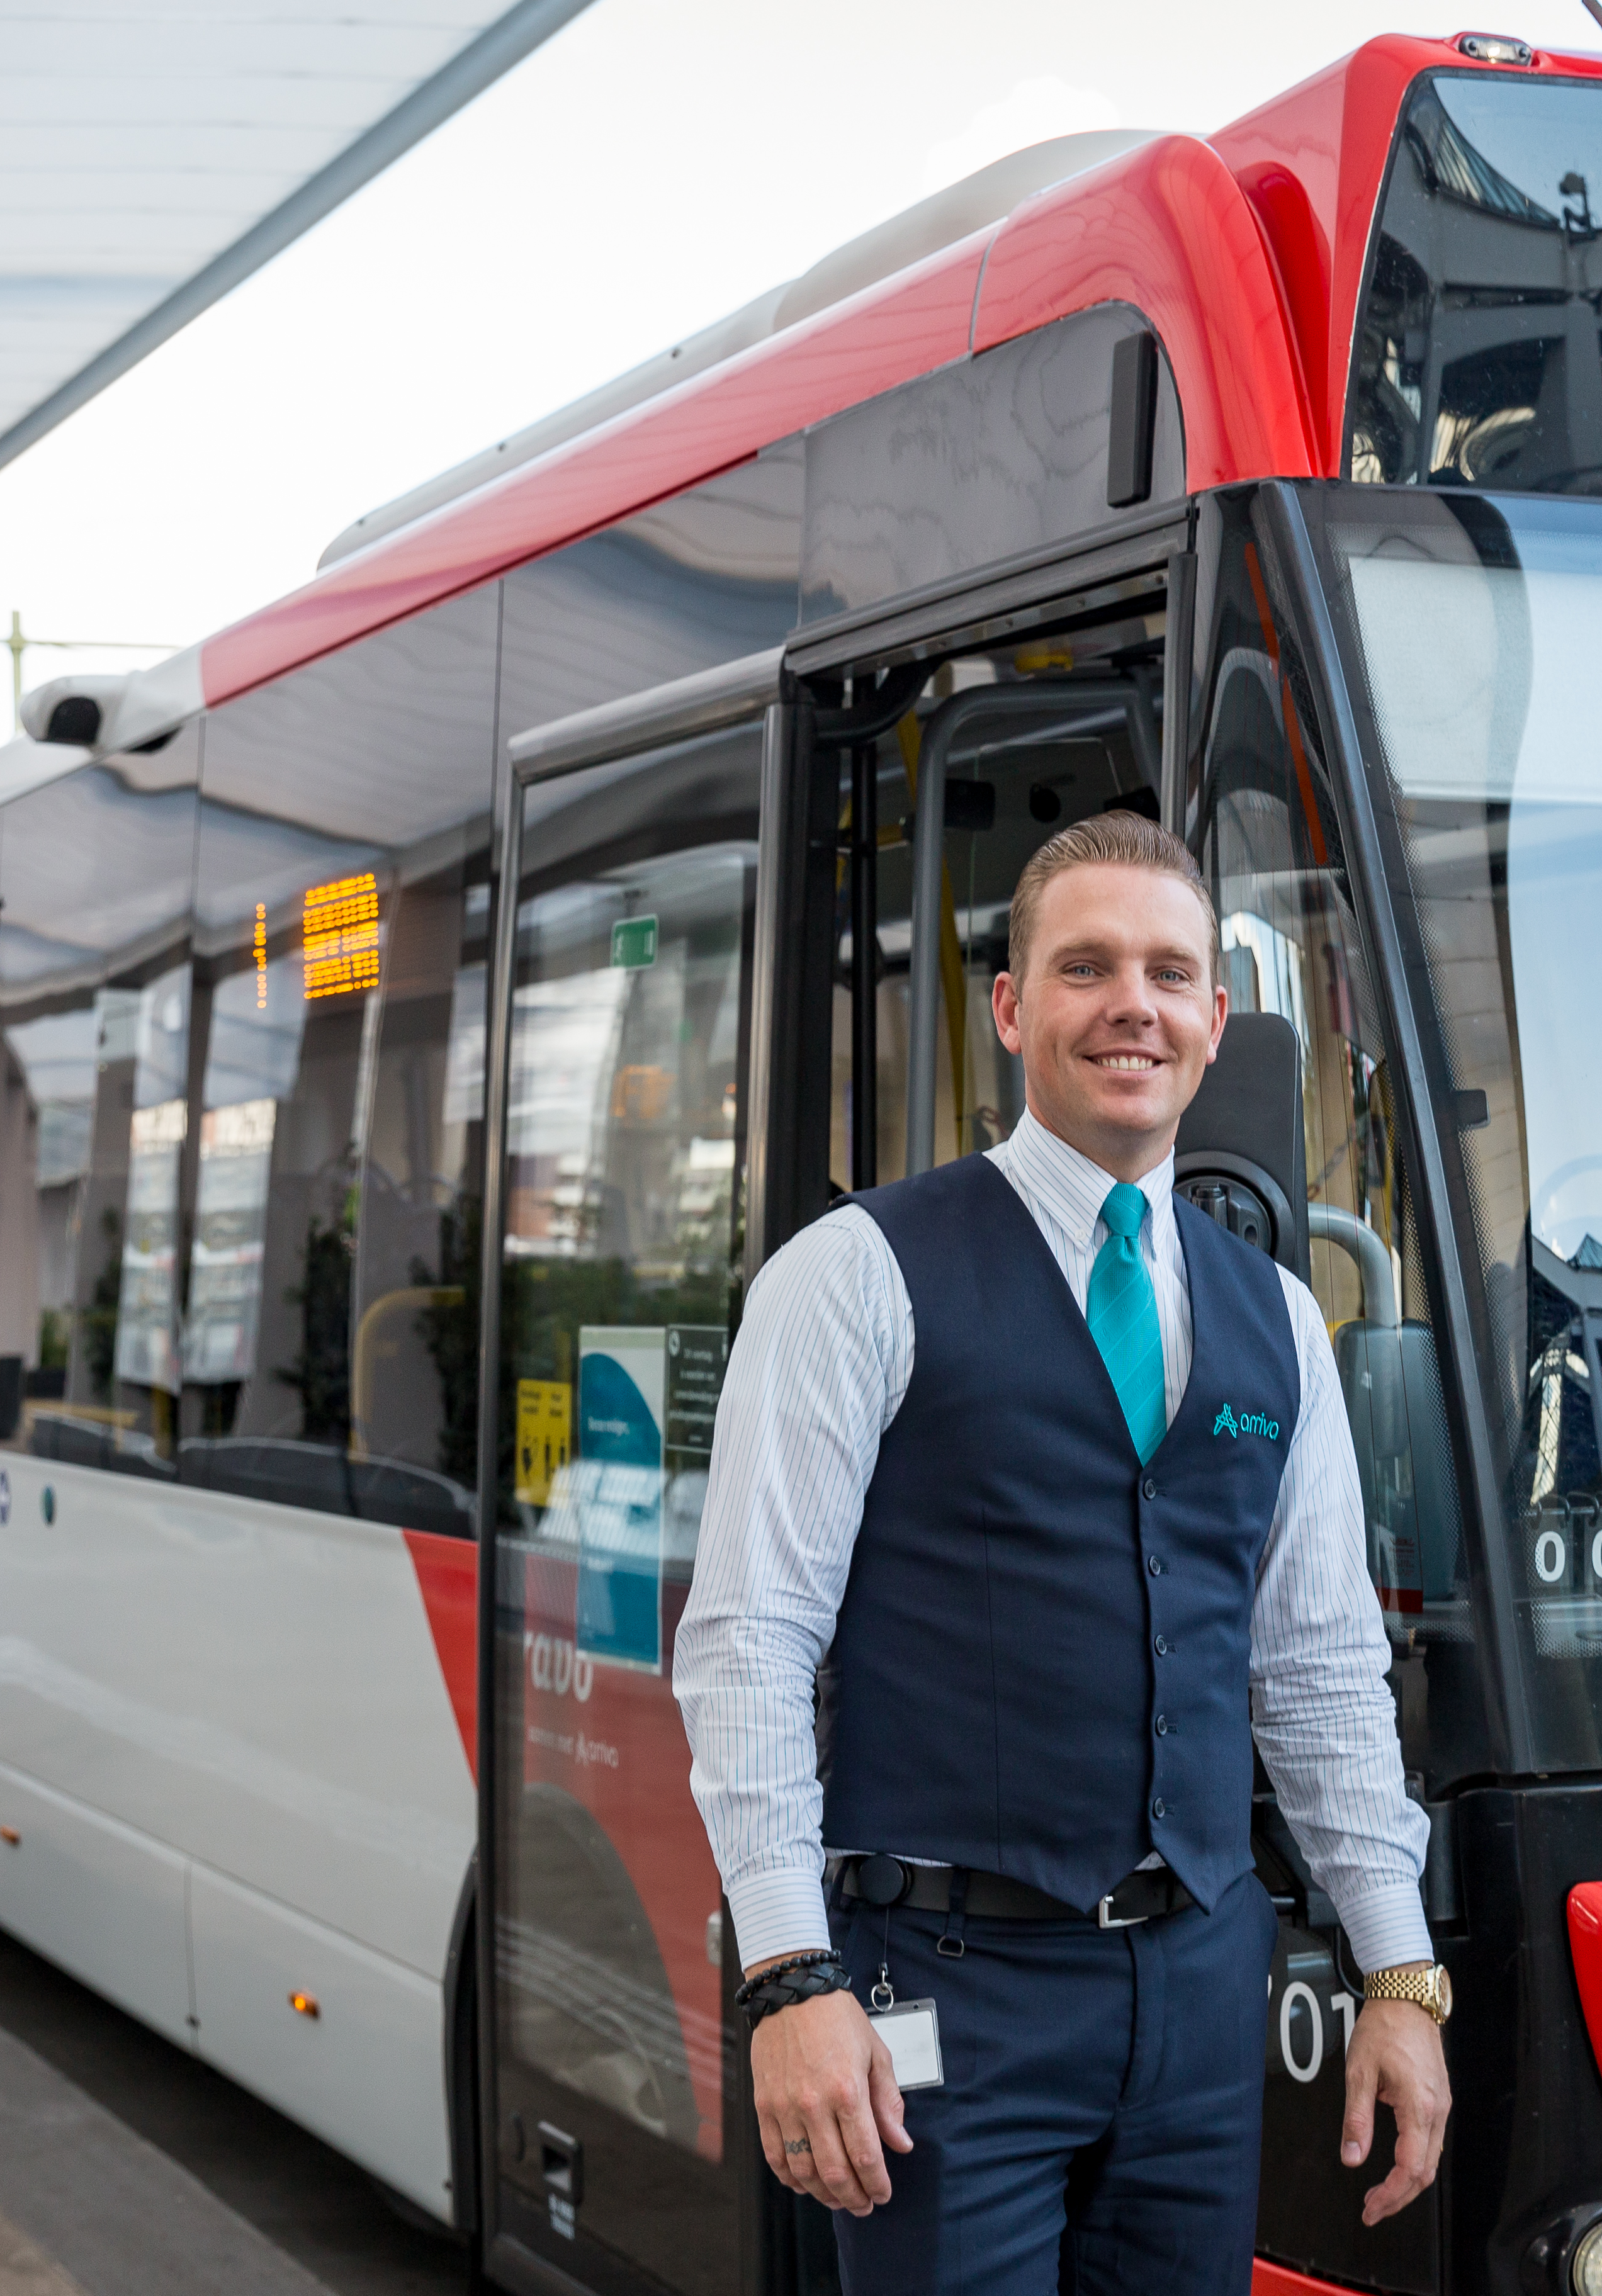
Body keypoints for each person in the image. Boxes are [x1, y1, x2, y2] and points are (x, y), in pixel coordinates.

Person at [673, 811, 1452, 2293]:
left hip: (1199, 1997)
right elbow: (749, 1639)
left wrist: (1398, 1972)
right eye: (1085, 967)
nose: (1130, 1007)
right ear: (1011, 1008)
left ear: (1214, 1023)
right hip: (942, 1995)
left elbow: (1318, 1672)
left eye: (1169, 973)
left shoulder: (1280, 1317)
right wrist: (788, 1974)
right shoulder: (854, 1276)